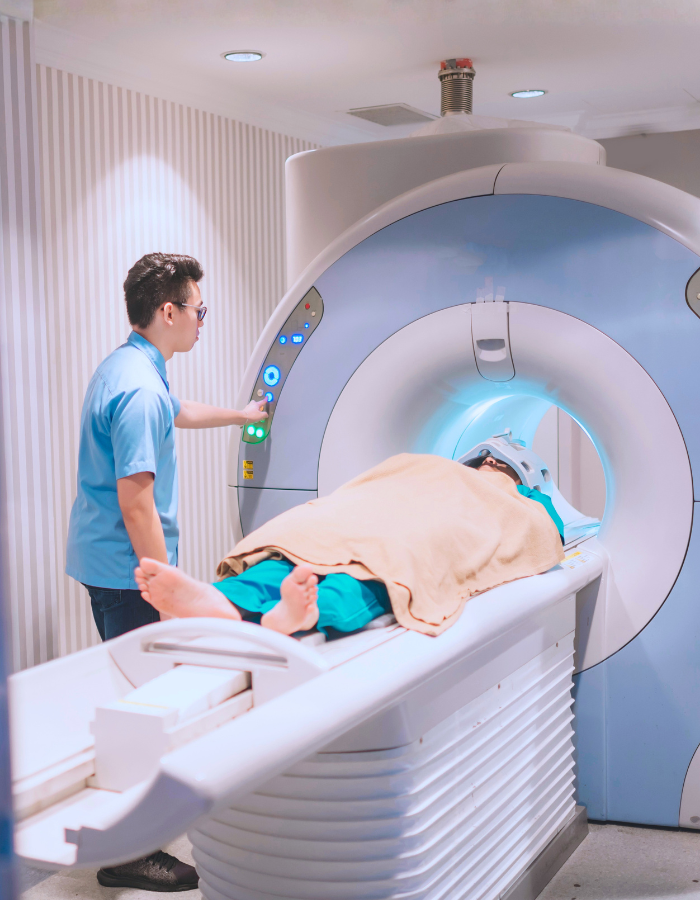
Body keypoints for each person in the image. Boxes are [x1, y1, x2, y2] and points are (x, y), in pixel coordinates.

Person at [65, 252, 267, 892]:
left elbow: (177, 412)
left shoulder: (127, 366)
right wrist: (167, 587)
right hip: (130, 575)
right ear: (168, 310)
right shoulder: (139, 390)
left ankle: (139, 829)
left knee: (140, 697)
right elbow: (136, 499)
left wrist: (244, 416)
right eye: (200, 311)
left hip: (105, 562)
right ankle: (134, 851)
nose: (203, 321)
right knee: (146, 707)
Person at [132, 452, 564, 638]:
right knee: (309, 540)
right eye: (486, 458)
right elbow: (388, 482)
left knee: (386, 560)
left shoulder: (523, 499)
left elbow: (543, 530)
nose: (490, 463)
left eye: (501, 463)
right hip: (391, 496)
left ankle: (300, 614)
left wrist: (519, 494)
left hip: (445, 515)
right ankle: (220, 600)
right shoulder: (435, 463)